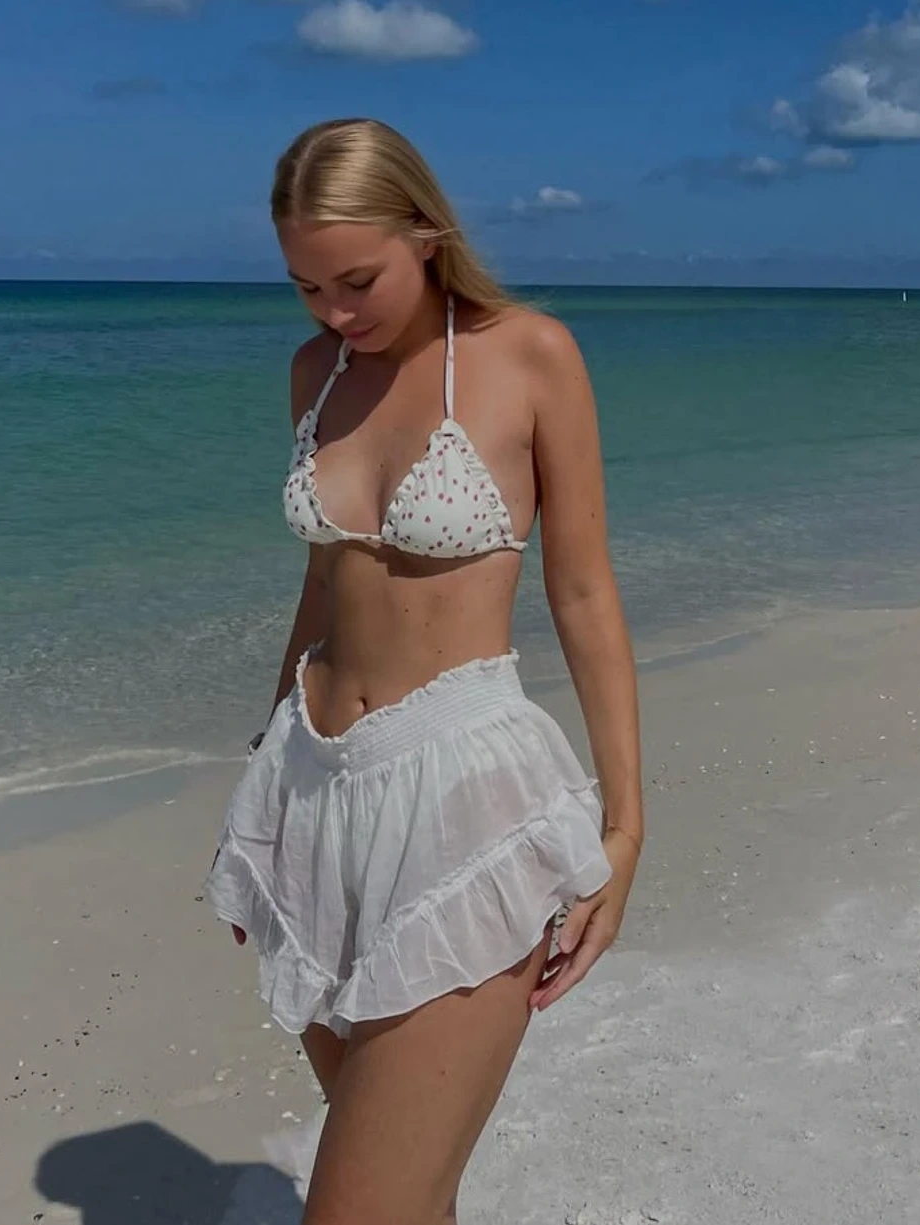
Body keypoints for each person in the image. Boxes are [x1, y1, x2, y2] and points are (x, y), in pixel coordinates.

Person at [202, 118, 644, 1225]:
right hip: (312, 795)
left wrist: (624, 828)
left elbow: (583, 594)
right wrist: (261, 790)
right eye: (306, 287)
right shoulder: (315, 373)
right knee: (414, 1198)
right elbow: (324, 582)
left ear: (427, 233)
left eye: (357, 280)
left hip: (461, 807)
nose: (334, 313)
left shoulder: (530, 354)